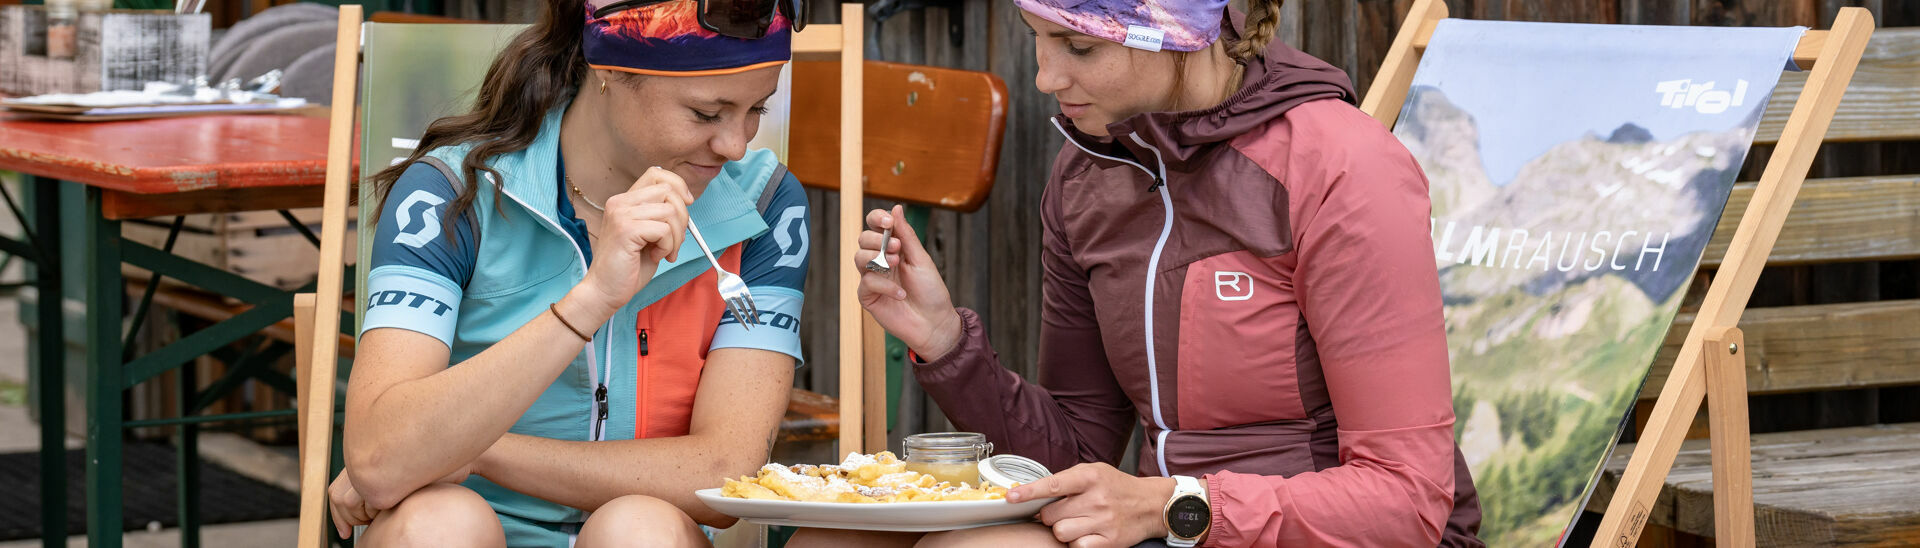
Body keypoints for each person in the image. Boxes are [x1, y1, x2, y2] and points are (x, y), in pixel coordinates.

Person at [799, 0, 1484, 546]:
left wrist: (1179, 506)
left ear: (1176, 31)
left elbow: (1409, 501)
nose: (1045, 77)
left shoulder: (1341, 166)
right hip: (1170, 526)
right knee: (832, 541)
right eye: (1037, 36)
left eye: (1080, 47)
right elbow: (1074, 451)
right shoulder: (1088, 173)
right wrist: (947, 343)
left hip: (1318, 532)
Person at [325, 0, 812, 545]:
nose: (736, 145)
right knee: (436, 523)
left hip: (646, 529)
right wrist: (592, 299)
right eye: (705, 113)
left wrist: (472, 446)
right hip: (461, 526)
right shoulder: (451, 191)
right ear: (608, 69)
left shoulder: (764, 202)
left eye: (757, 111)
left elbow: (725, 471)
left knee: (639, 528)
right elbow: (378, 459)